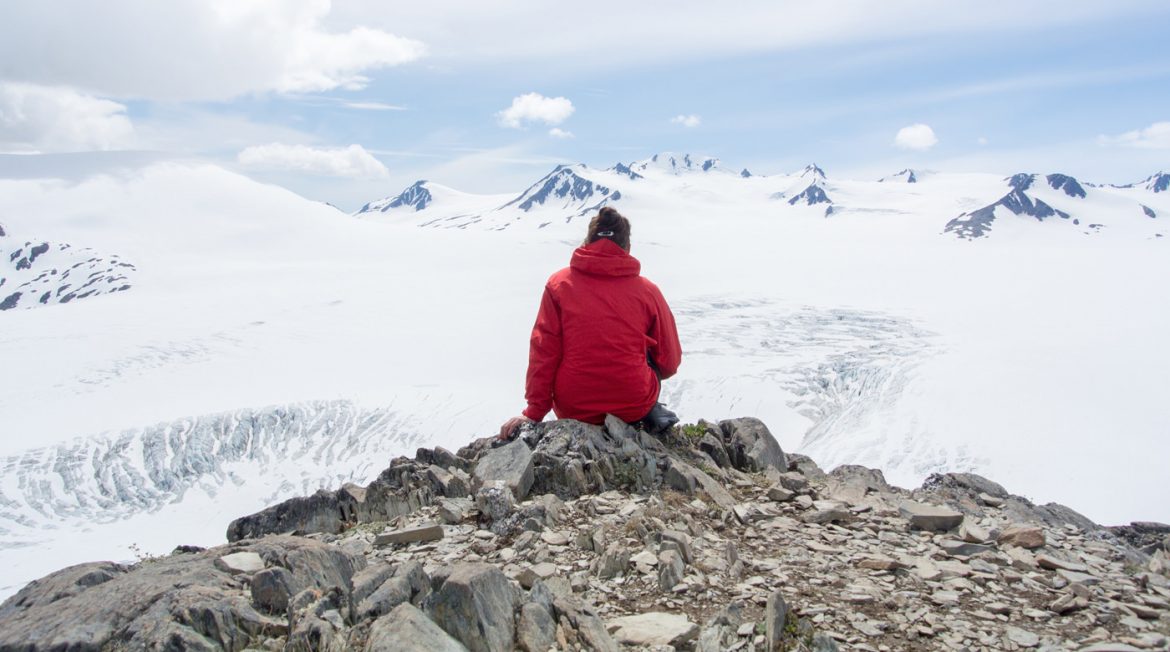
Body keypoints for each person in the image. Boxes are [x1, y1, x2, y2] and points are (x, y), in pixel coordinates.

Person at [499, 206, 682, 440]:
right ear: (627, 247)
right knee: (644, 350)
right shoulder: (648, 291)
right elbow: (669, 362)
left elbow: (544, 350)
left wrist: (534, 412)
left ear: (586, 243)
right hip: (633, 404)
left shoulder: (559, 284)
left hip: (575, 407)